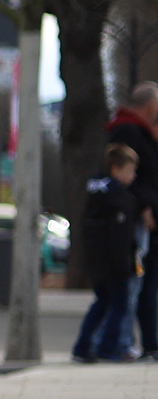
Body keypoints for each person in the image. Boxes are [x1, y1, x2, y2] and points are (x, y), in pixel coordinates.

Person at [72, 144, 142, 363]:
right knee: (119, 304)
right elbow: (120, 236)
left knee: (102, 302)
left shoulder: (96, 193)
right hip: (115, 263)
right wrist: (127, 264)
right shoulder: (119, 199)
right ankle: (107, 347)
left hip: (97, 260)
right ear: (115, 169)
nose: (133, 176)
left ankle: (83, 346)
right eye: (130, 171)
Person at [106, 83, 158, 355]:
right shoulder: (128, 129)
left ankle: (141, 341)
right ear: (150, 106)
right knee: (135, 282)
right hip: (135, 217)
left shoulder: (139, 130)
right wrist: (144, 206)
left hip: (141, 213)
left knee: (144, 283)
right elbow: (127, 176)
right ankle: (123, 343)